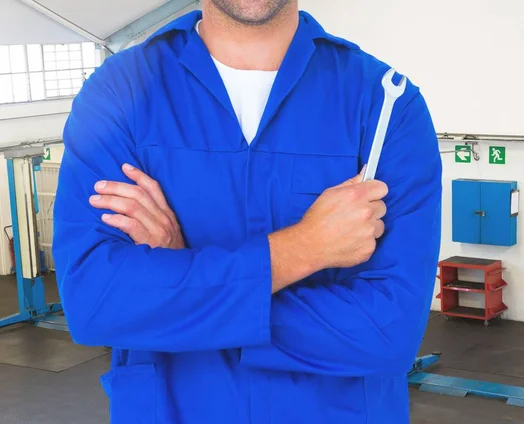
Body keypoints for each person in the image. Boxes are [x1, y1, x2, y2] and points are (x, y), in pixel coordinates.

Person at [52, 1, 442, 423]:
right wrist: (303, 248)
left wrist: (180, 279)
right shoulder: (120, 92)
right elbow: (96, 302)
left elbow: (387, 331)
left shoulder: (383, 103)